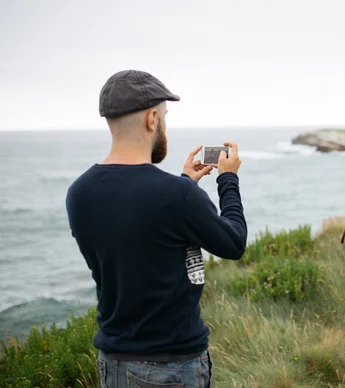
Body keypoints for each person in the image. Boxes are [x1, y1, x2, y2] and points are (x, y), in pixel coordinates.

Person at [66, 70, 247, 387]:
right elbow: (234, 243)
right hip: (171, 366)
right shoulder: (176, 197)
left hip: (114, 362)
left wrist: (185, 183)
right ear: (152, 119)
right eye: (164, 117)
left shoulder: (79, 192)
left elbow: (139, 226)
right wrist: (227, 179)